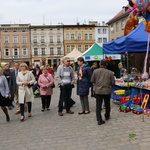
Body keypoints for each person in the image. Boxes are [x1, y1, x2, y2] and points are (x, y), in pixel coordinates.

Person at [91, 59, 115, 125]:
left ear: (99, 64)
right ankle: (107, 116)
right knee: (107, 104)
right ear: (106, 65)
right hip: (107, 91)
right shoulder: (110, 72)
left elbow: (92, 80)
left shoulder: (95, 71)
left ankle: (99, 119)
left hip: (98, 91)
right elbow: (113, 82)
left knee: (98, 105)